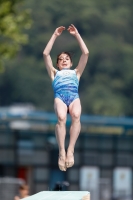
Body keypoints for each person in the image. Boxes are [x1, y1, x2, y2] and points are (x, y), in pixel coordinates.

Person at [43, 24, 89, 171]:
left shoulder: (76, 72)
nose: (64, 60)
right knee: (61, 117)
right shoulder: (54, 73)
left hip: (74, 97)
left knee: (76, 115)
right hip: (60, 97)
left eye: (67, 58)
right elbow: (45, 54)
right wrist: (55, 35)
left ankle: (71, 150)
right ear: (57, 63)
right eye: (61, 59)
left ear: (71, 62)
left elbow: (86, 53)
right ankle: (62, 151)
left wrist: (77, 35)